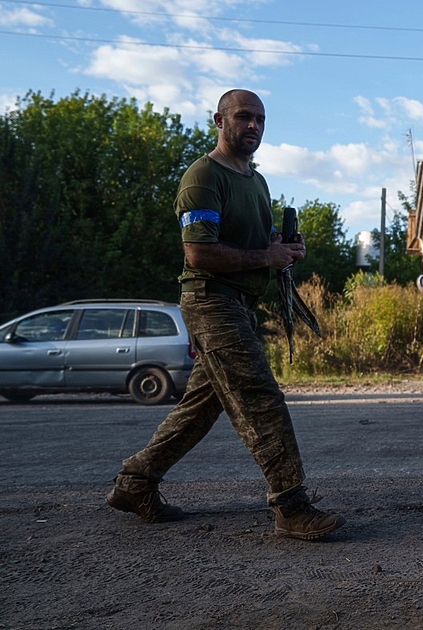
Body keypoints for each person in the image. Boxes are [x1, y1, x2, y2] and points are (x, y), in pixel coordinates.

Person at [106, 89, 346, 541]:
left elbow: (258, 244)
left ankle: (136, 483)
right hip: (210, 299)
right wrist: (266, 256)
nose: (252, 125)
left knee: (201, 407)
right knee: (259, 396)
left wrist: (283, 249)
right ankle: (290, 505)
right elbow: (199, 253)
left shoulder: (255, 180)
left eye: (260, 118)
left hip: (238, 304)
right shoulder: (202, 176)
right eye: (242, 117)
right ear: (219, 120)